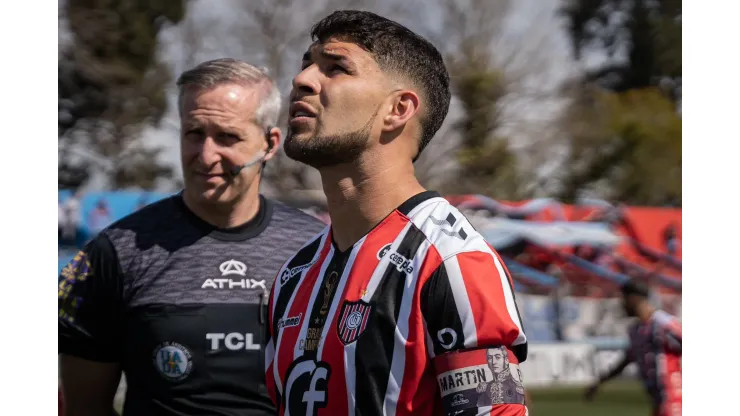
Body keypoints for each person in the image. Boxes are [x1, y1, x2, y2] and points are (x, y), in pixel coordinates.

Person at [265, 10, 528, 416]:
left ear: (398, 109)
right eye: (306, 65)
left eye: (336, 67)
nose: (302, 81)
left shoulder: (454, 264)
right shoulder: (293, 276)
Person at [58, 58, 326, 416]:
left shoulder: (318, 250)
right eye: (194, 133)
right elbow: (84, 408)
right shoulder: (114, 253)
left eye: (227, 137)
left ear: (269, 143)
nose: (206, 155)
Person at [584, 280, 682, 416]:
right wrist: (601, 381)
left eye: (623, 300)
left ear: (633, 299)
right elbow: (627, 359)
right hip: (659, 402)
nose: (622, 305)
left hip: (673, 400)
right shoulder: (636, 330)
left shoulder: (662, 324)